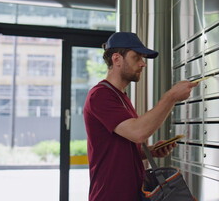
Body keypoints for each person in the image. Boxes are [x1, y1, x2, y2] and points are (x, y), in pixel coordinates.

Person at [83, 32, 197, 201]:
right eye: (136, 57)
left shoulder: (121, 96)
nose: (143, 64)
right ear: (116, 59)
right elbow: (138, 132)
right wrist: (171, 96)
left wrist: (150, 151)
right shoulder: (100, 95)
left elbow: (120, 147)